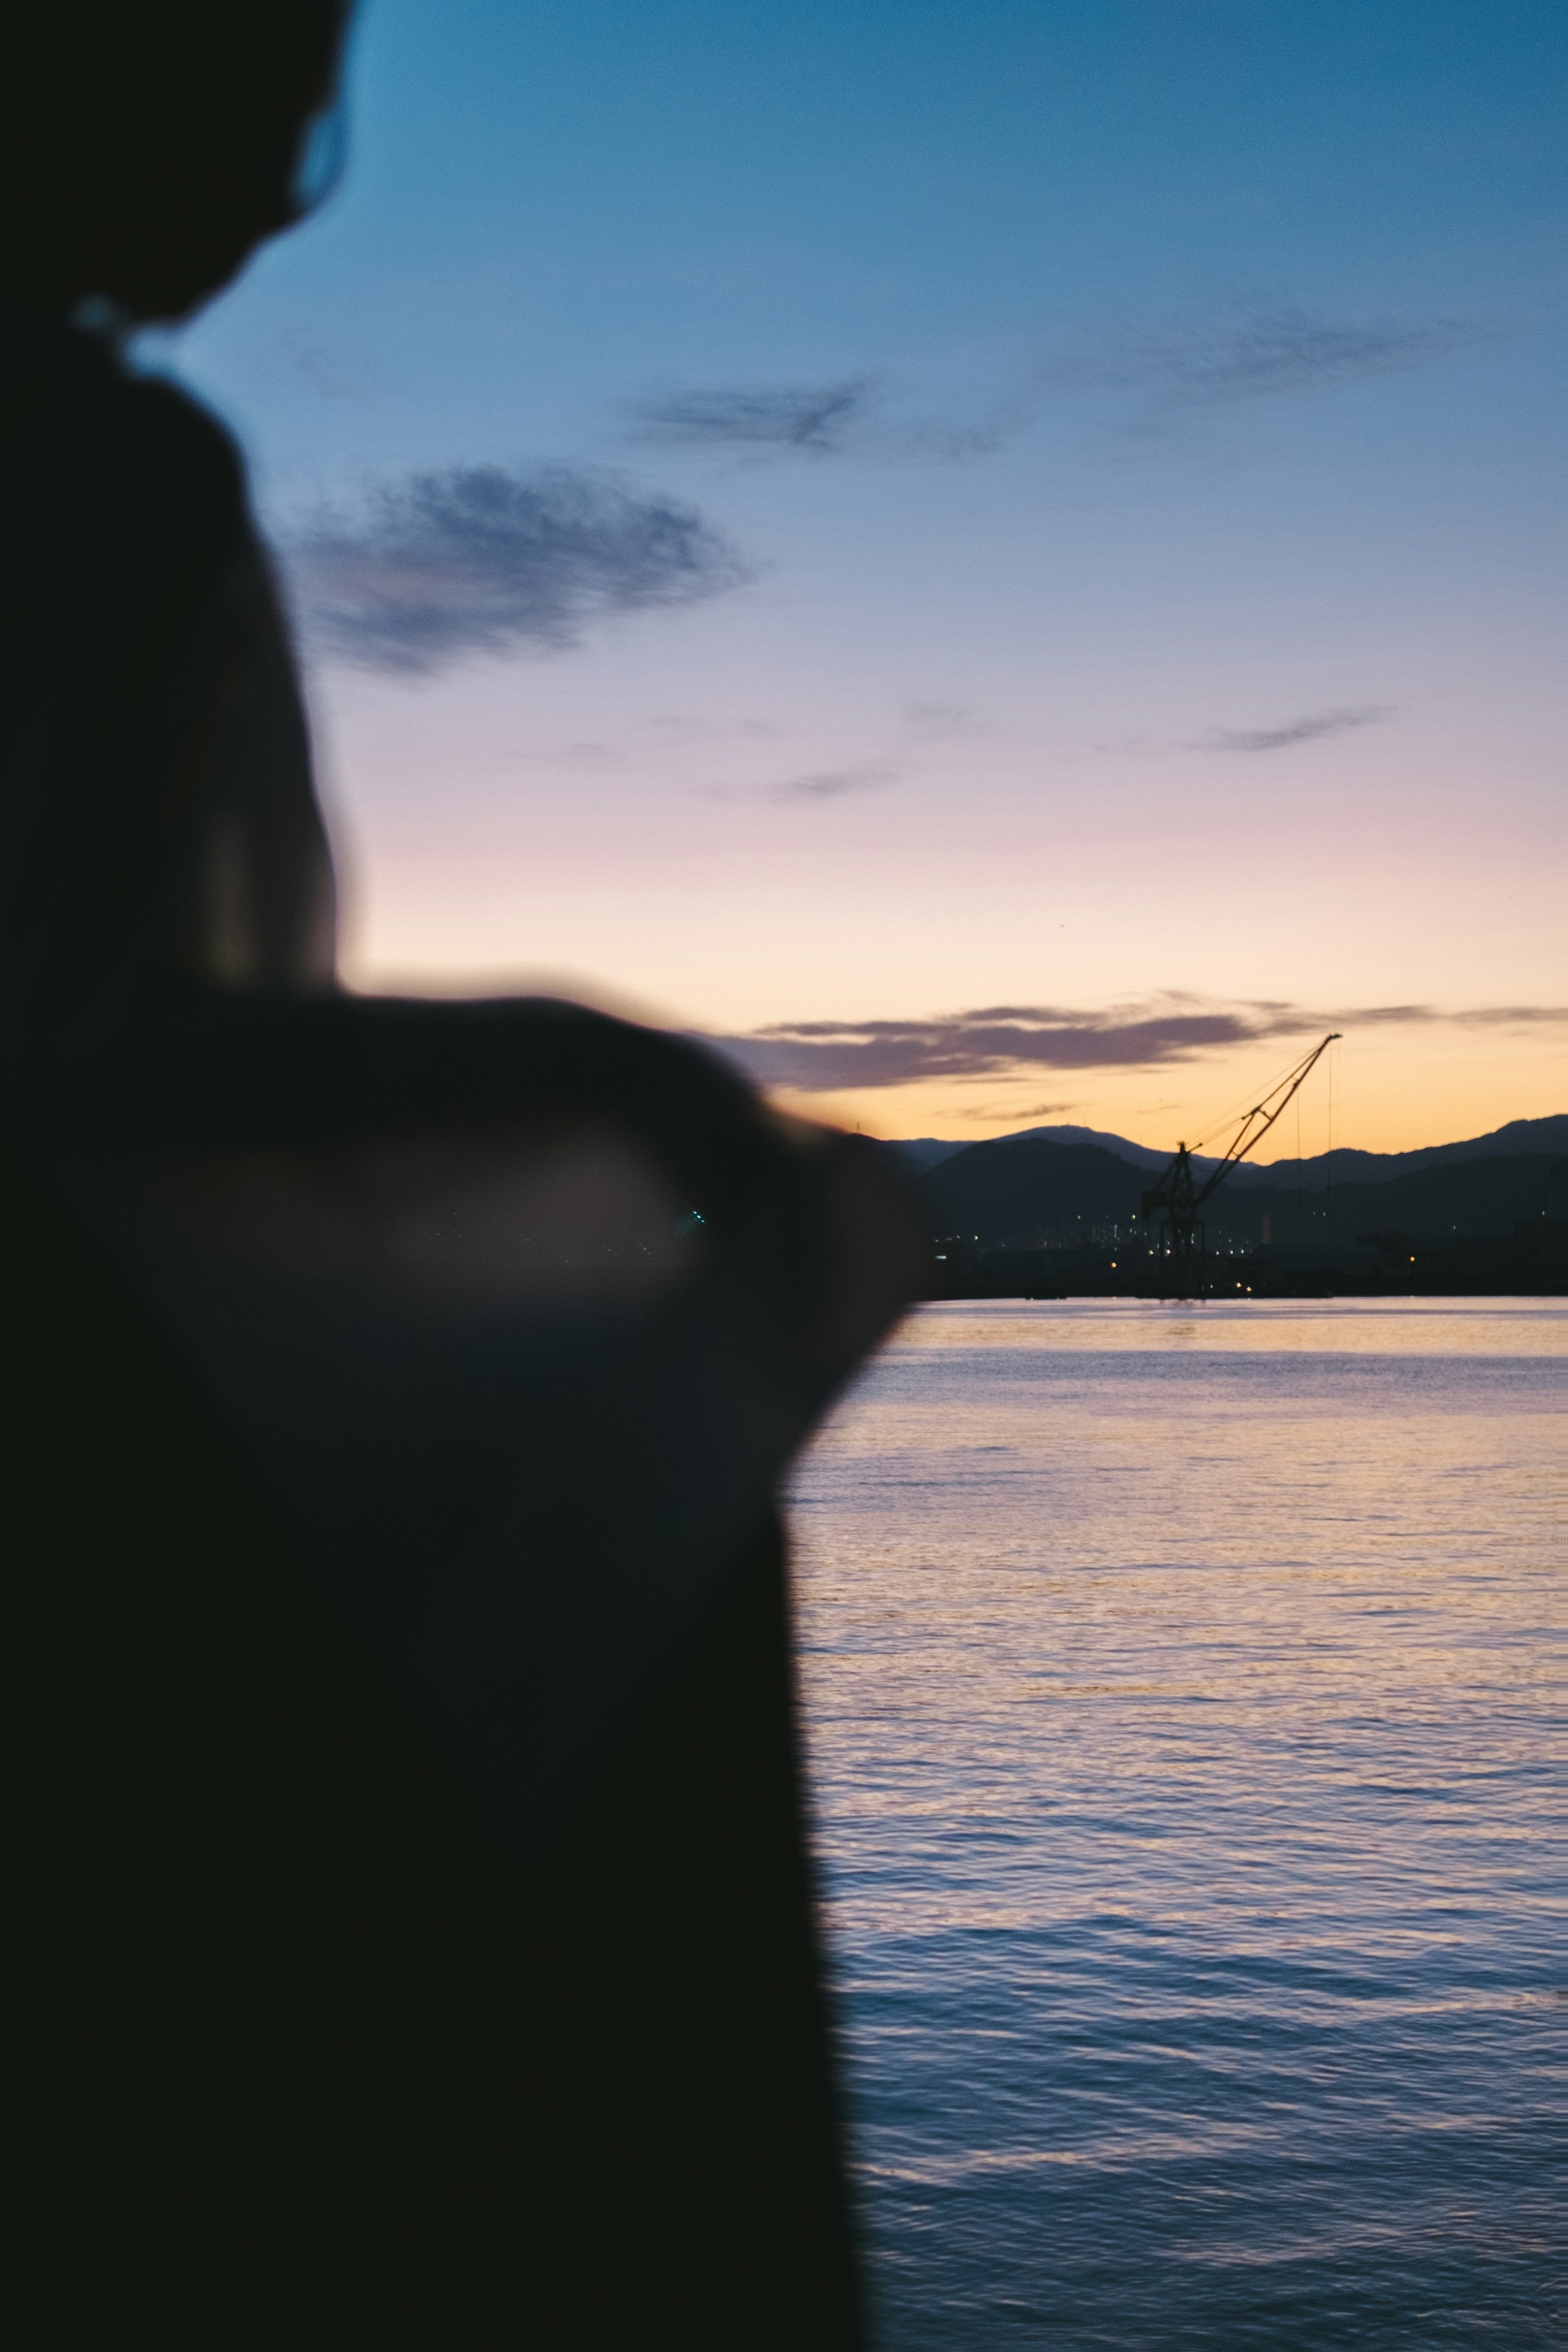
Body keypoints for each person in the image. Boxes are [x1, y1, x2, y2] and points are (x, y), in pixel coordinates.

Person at [1, 7, 919, 2341]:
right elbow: (108, 1069)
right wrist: (599, 1068)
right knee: (670, 1438)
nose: (291, 183)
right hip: (82, 1369)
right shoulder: (114, 479)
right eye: (269, 101)